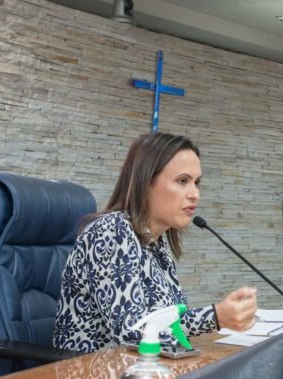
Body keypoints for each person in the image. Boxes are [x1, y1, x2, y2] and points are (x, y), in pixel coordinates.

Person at [54, 133, 258, 353]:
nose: (195, 194)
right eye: (182, 181)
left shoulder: (155, 243)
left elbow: (170, 323)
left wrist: (221, 316)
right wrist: (215, 317)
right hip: (93, 370)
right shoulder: (111, 231)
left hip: (143, 367)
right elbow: (133, 332)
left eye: (197, 183)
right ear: (146, 182)